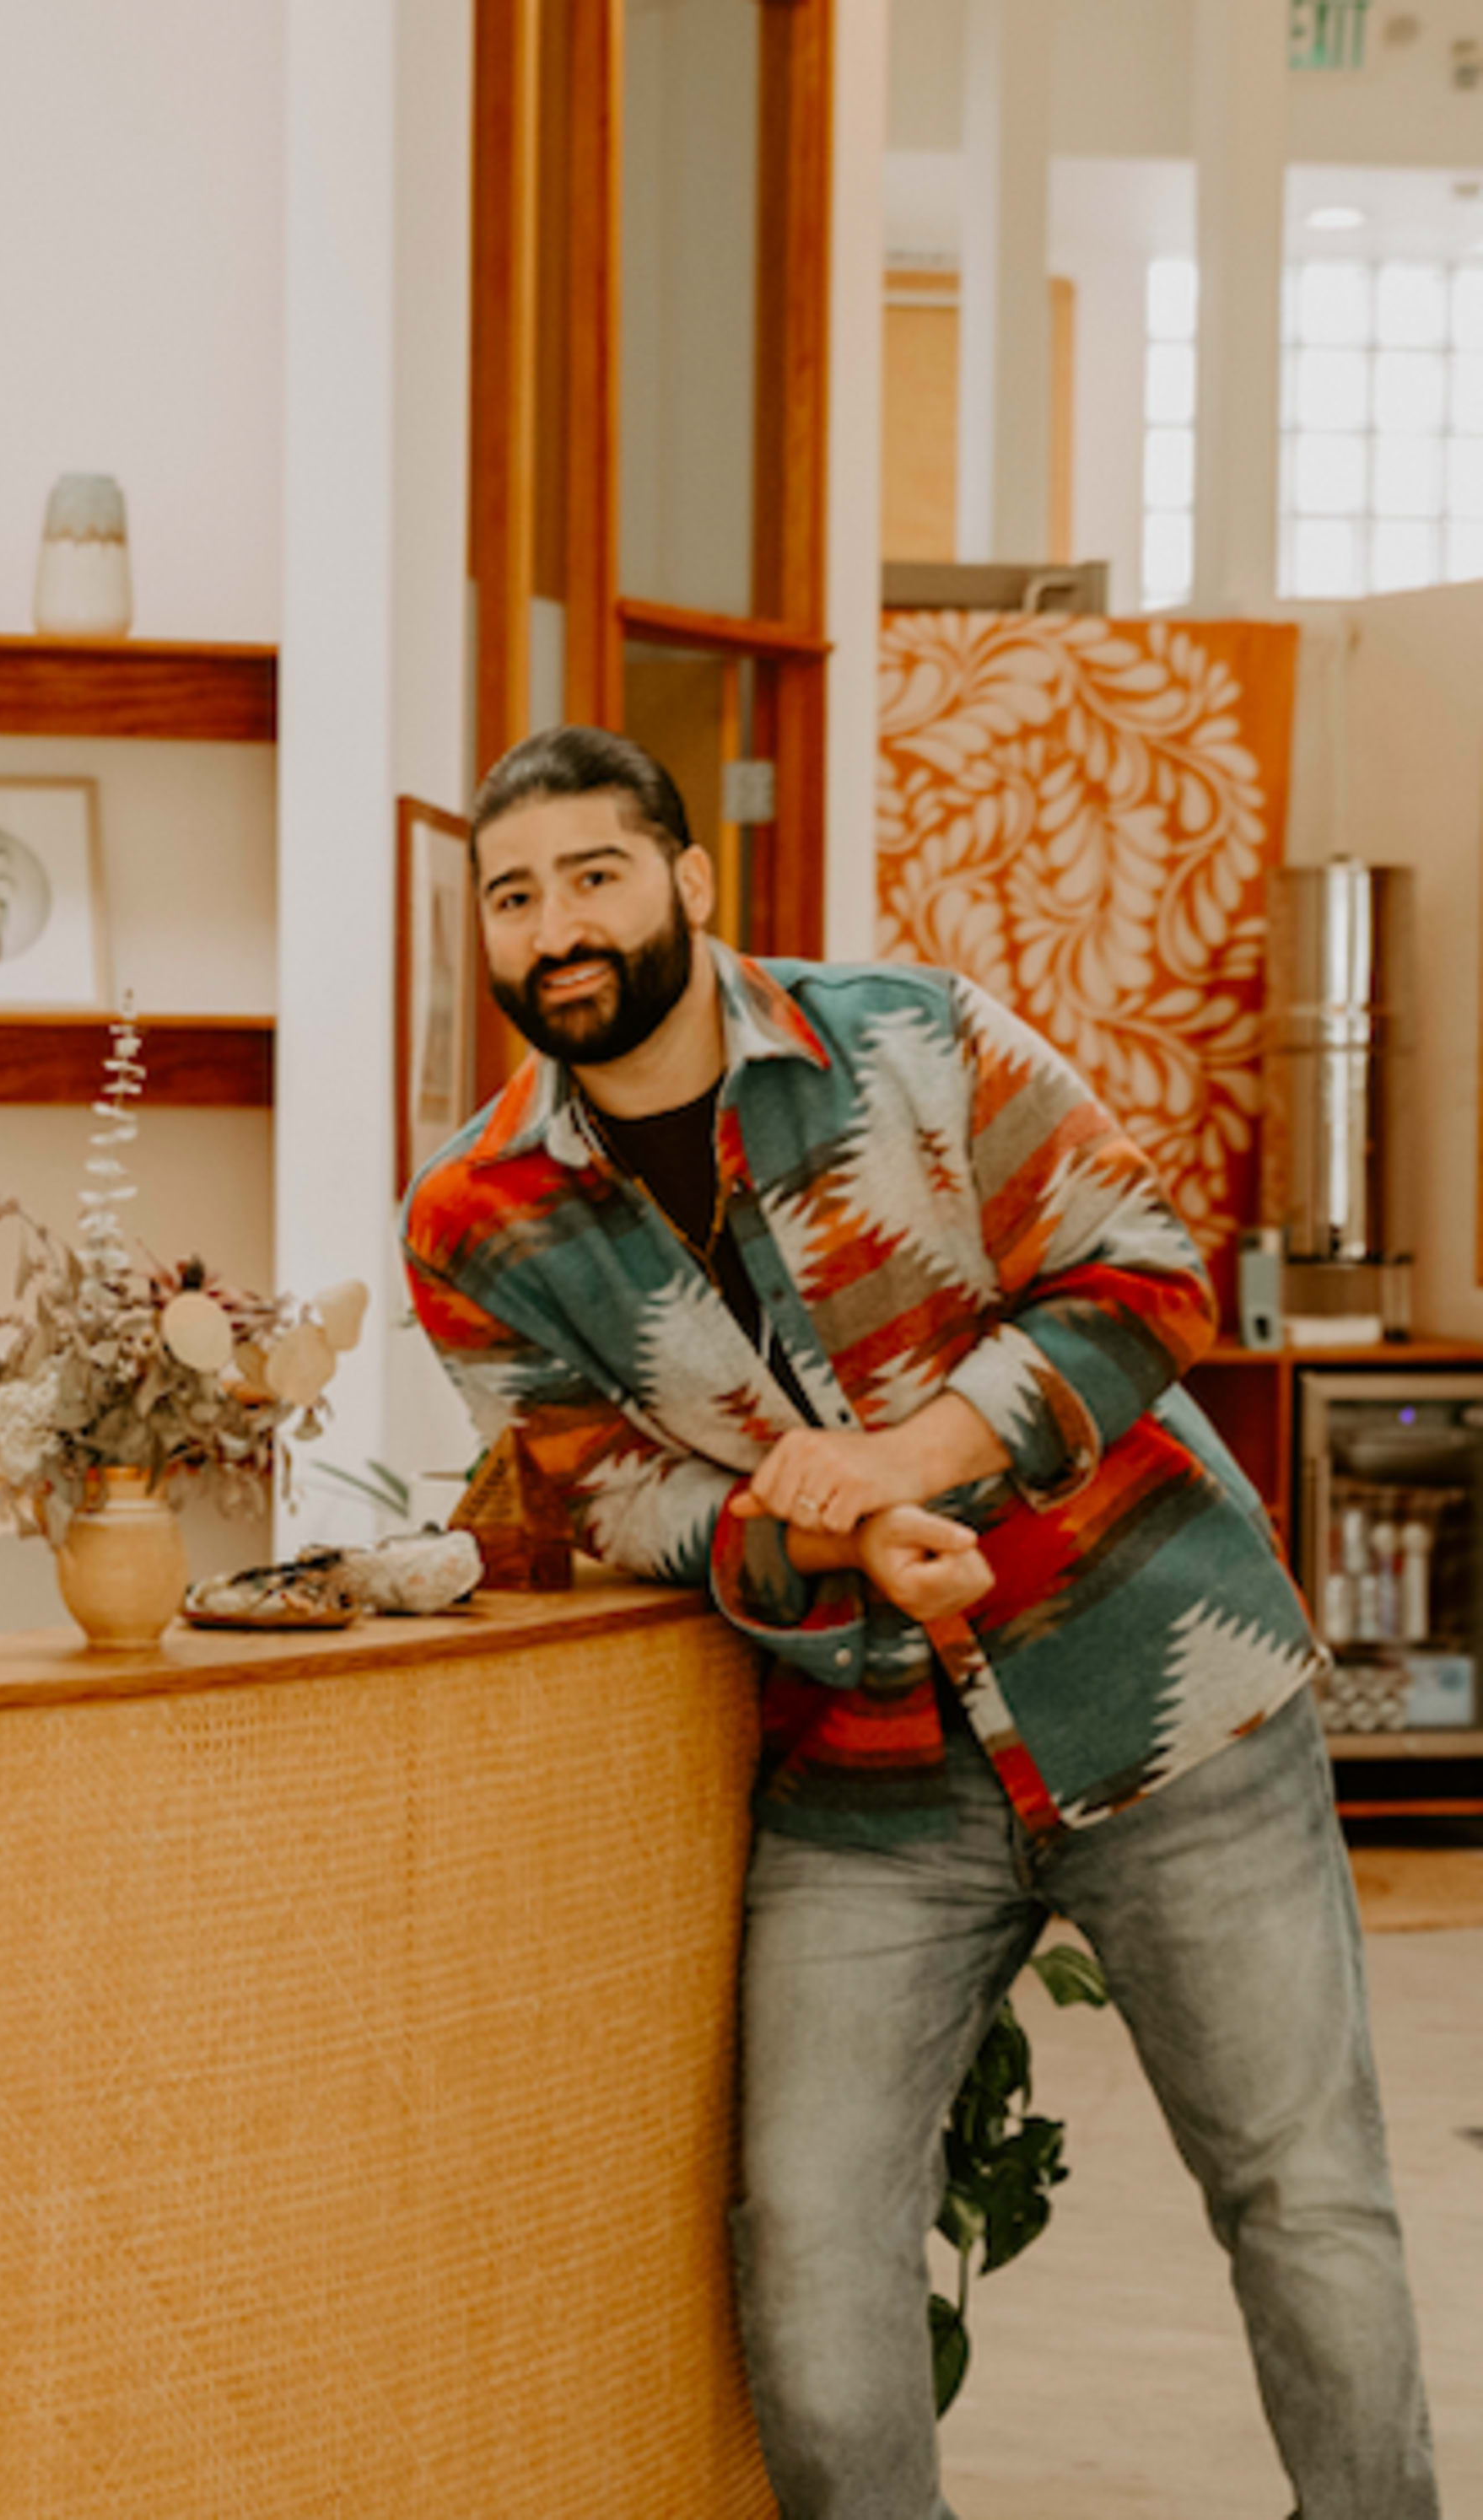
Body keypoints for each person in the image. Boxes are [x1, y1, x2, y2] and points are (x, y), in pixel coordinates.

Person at [402, 726, 1437, 2517]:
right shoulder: (472, 1221)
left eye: (595, 874)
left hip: (1167, 1697)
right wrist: (821, 1546)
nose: (556, 925)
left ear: (688, 883)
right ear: (480, 936)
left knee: (1302, 2194)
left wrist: (924, 1462)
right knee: (807, 2244)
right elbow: (597, 1492)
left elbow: (1145, 1270)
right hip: (864, 1772)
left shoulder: (910, 1035)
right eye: (514, 895)